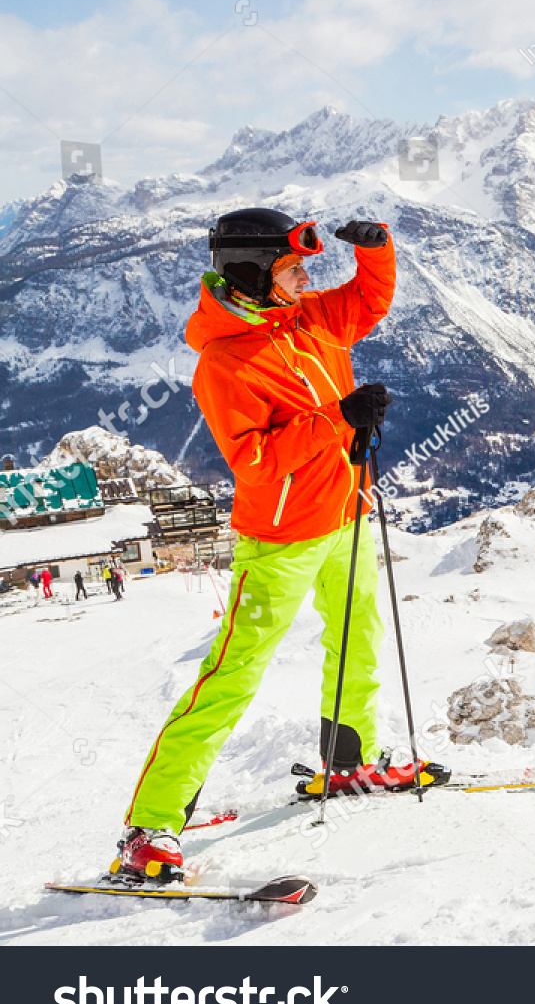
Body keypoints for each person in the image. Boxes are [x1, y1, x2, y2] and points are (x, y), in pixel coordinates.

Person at [113, 208, 446, 885]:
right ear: (252, 275)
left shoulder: (309, 317)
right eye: (293, 268)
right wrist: (336, 419)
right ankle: (150, 827)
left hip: (347, 512)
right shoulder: (226, 361)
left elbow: (369, 299)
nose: (305, 278)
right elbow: (257, 461)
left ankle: (351, 762)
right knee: (233, 674)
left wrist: (377, 254)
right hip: (283, 537)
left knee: (358, 637)